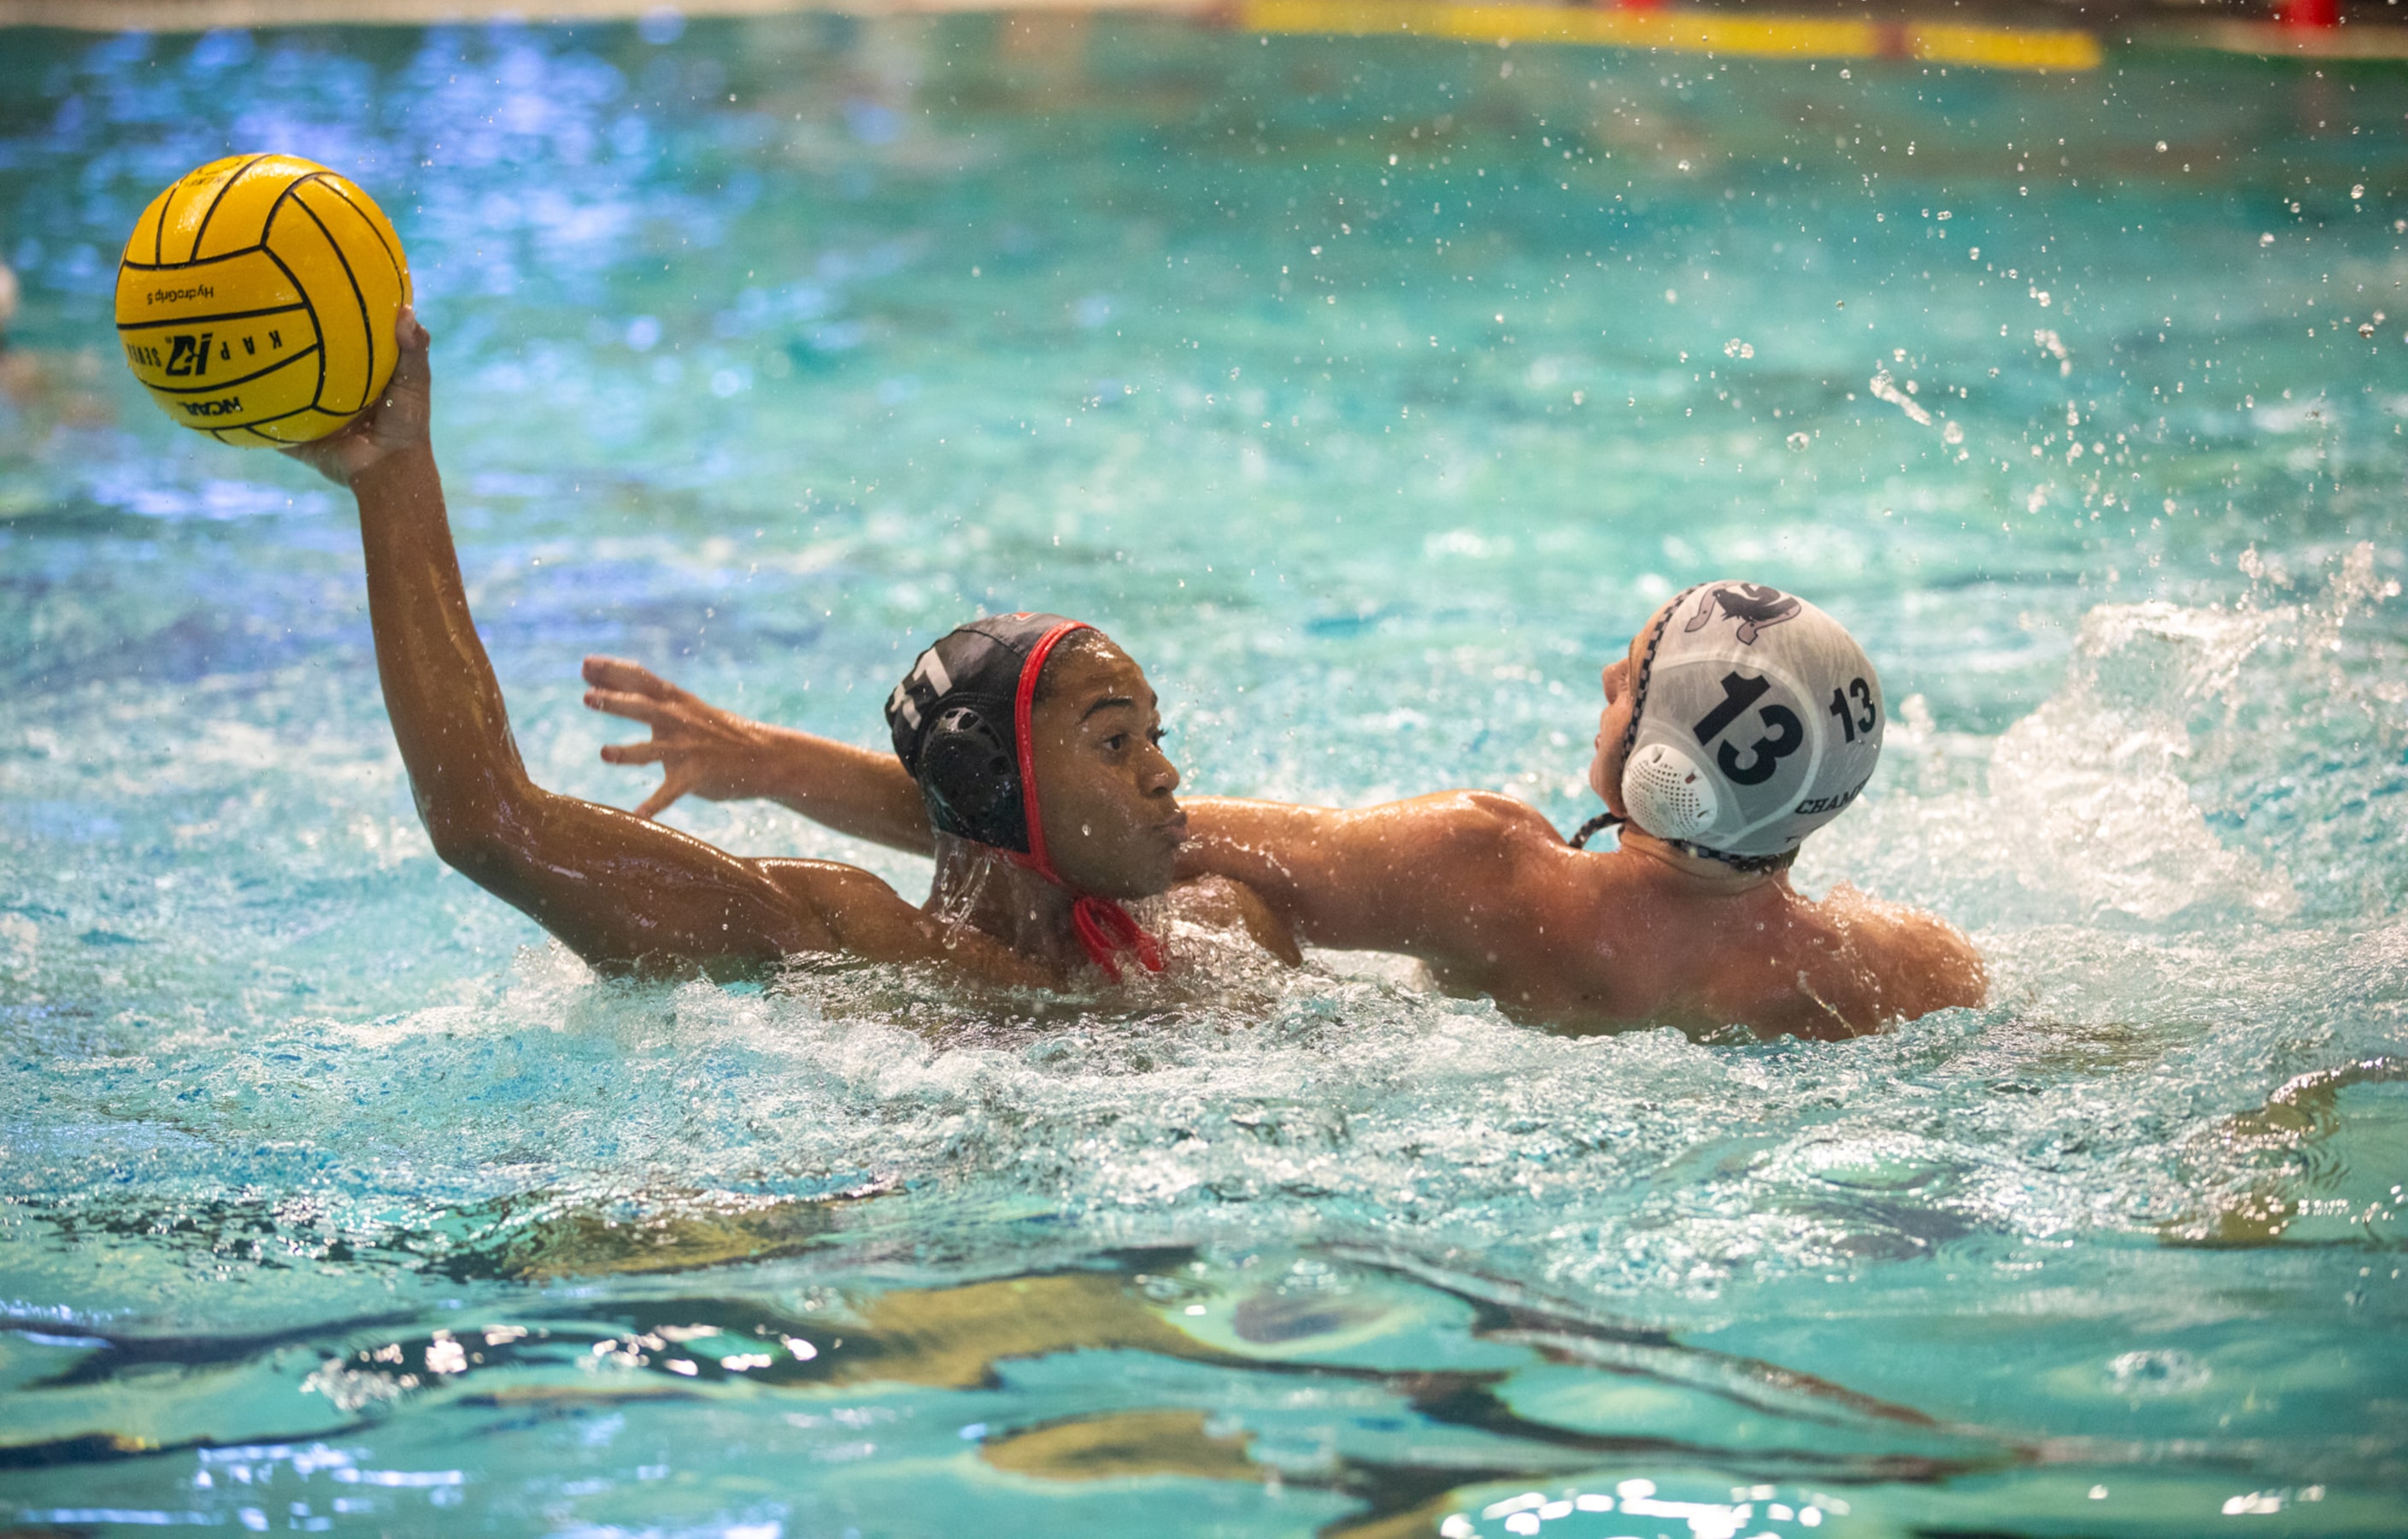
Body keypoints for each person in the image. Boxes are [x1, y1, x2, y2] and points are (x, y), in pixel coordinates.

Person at [285, 308, 1294, 996]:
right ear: (990, 782)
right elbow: (486, 823)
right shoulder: (851, 946)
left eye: (1154, 736)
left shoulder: (1222, 934)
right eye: (1115, 743)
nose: (1167, 775)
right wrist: (396, 478)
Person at [584, 583, 1986, 1040]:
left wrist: (773, 760)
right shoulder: (1892, 973)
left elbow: (1100, 830)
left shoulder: (1483, 871)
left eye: (1629, 682)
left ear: (1662, 771)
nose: (1607, 678)